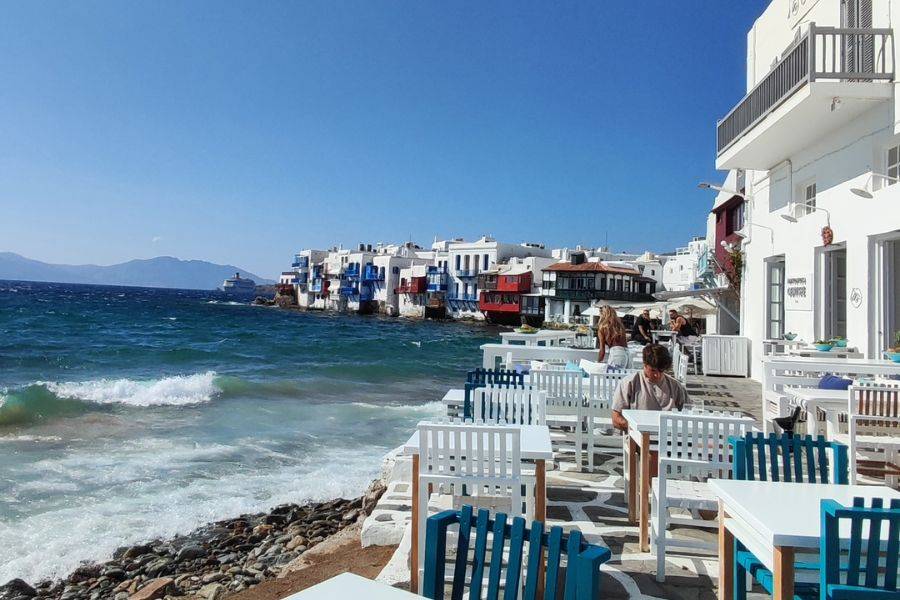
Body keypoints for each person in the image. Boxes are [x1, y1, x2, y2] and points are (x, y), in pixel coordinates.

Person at [611, 344, 689, 432]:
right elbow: (616, 419)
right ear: (644, 364)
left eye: (661, 371)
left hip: (670, 438)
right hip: (638, 437)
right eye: (653, 370)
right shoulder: (629, 383)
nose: (657, 375)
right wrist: (637, 429)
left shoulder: (676, 386)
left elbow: (689, 414)